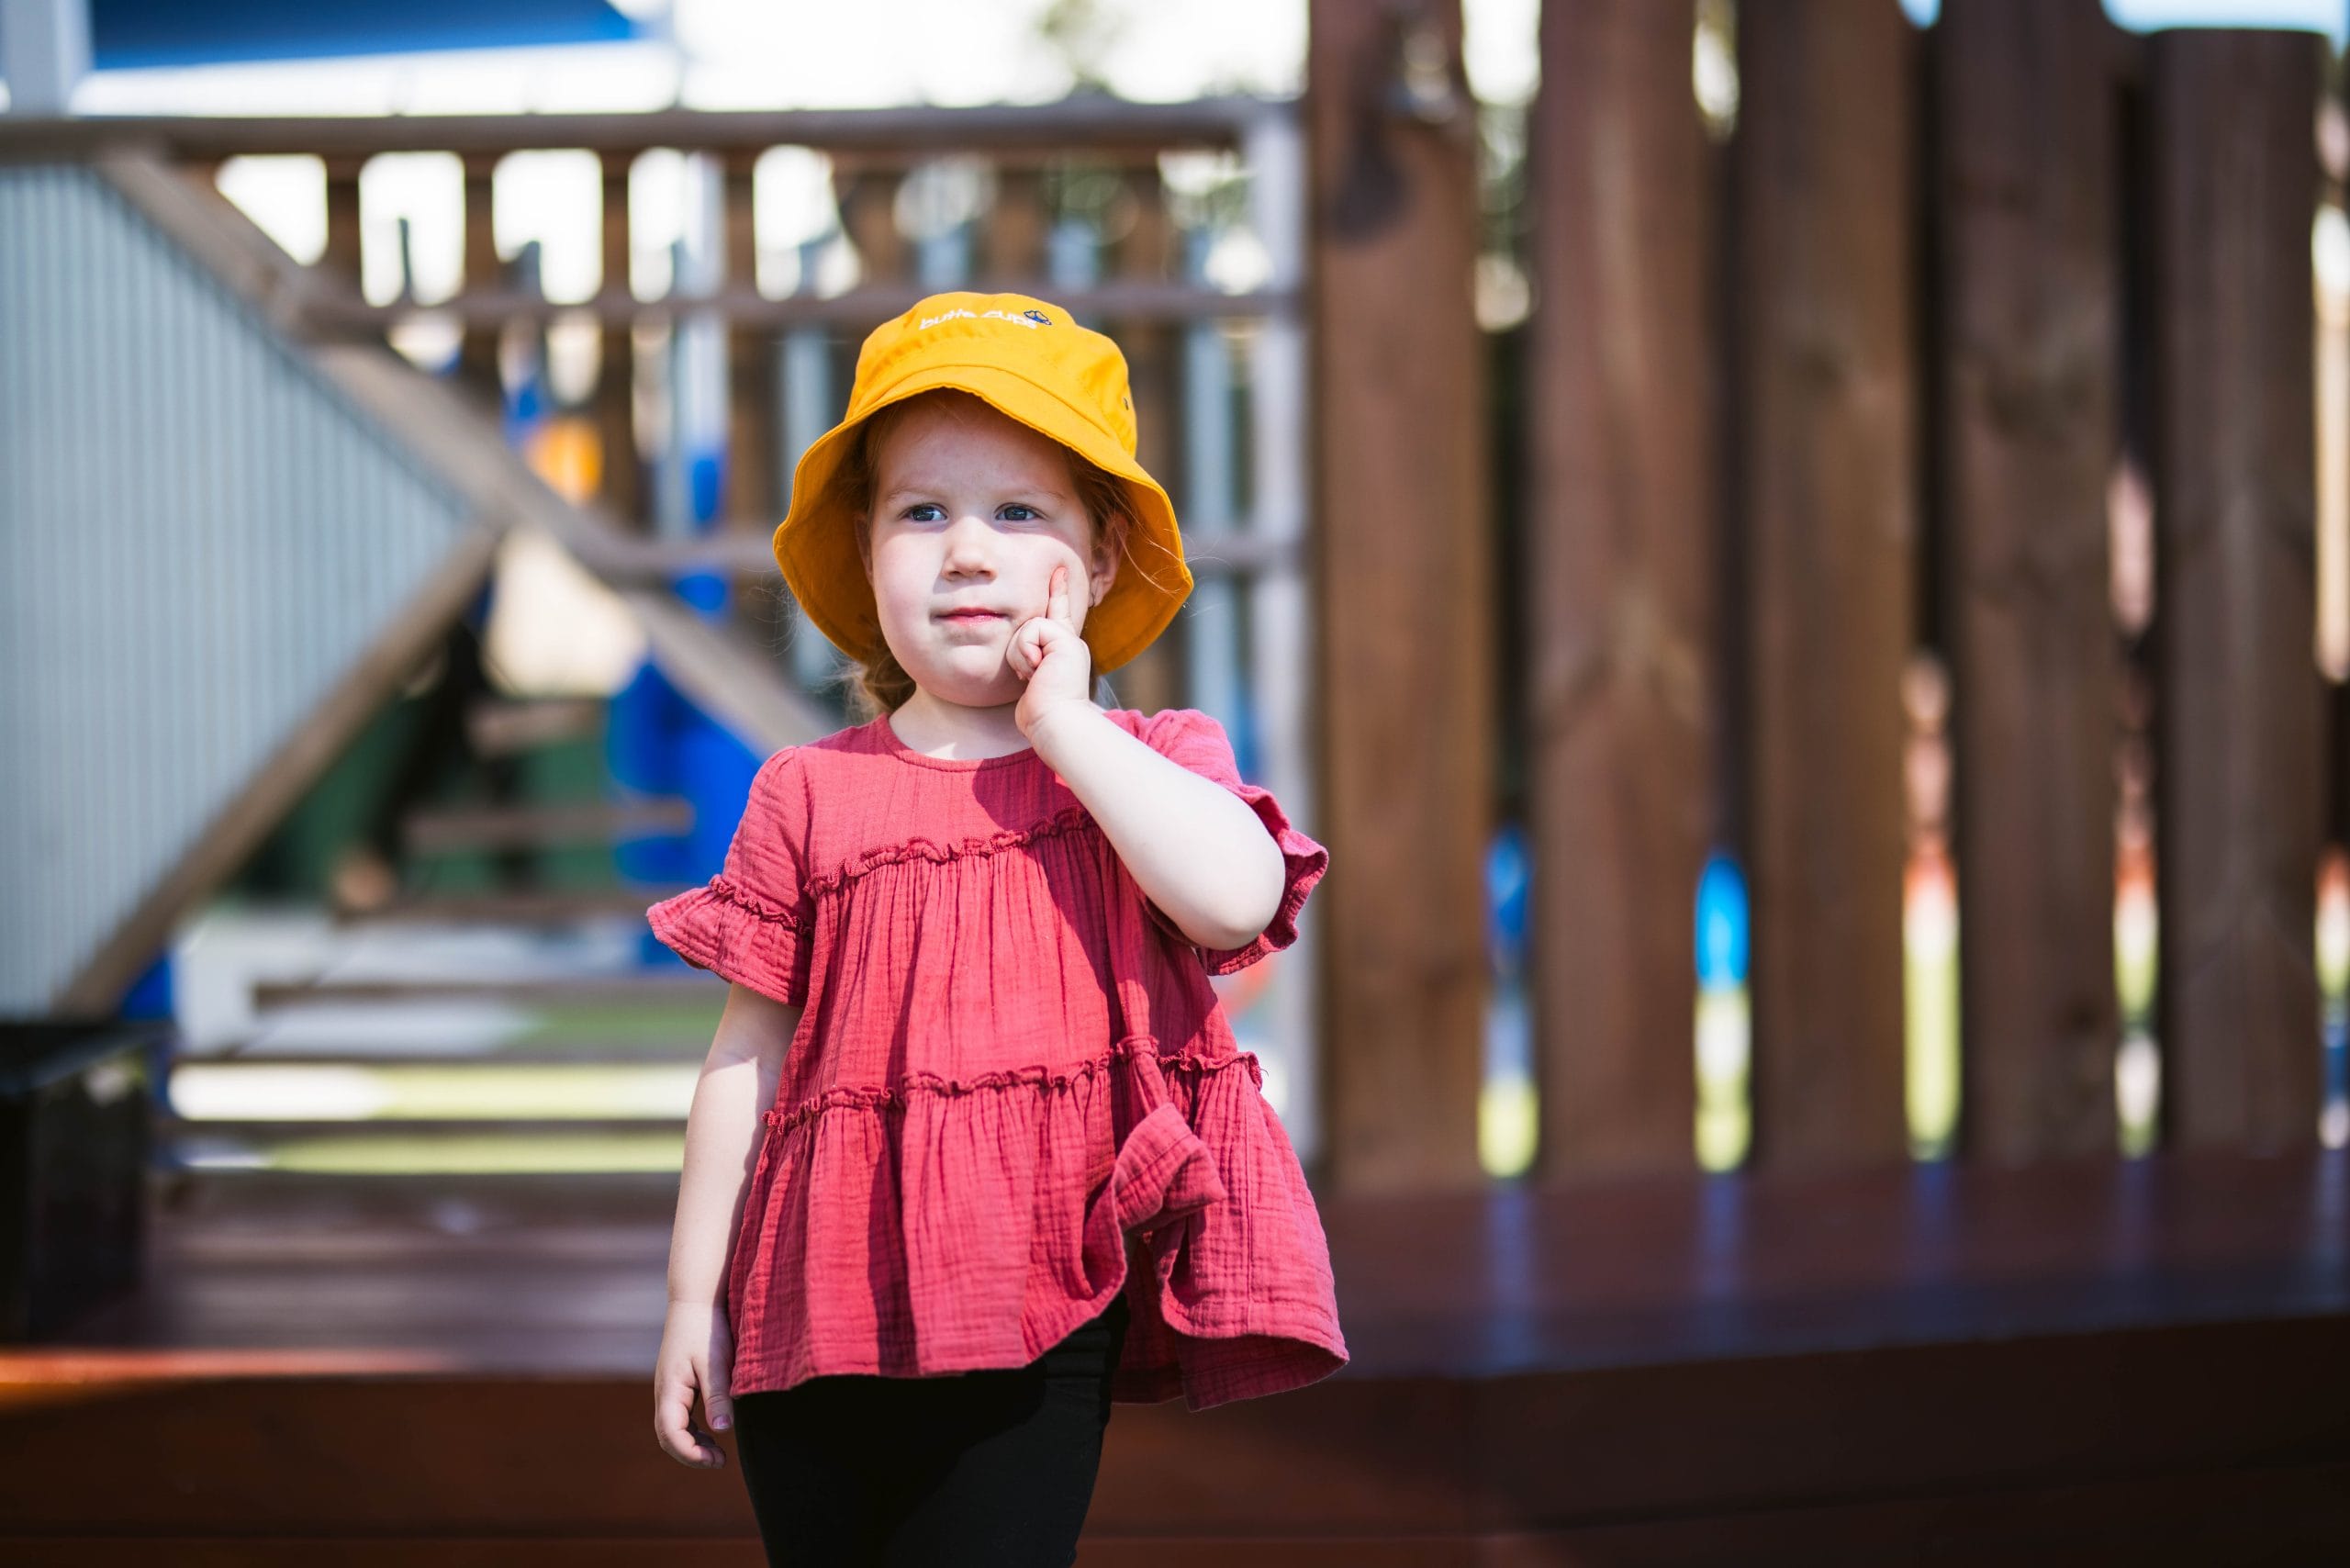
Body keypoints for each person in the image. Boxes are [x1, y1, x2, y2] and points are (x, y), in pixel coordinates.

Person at [643, 290, 1348, 1566]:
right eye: (924, 512)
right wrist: (695, 1296)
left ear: (1102, 559)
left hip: (1031, 1300)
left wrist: (1065, 727)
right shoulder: (808, 789)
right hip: (811, 1304)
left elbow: (1236, 898)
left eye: (1018, 513)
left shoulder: (1144, 764)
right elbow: (742, 1062)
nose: (968, 551)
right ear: (866, 555)